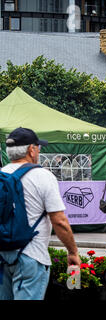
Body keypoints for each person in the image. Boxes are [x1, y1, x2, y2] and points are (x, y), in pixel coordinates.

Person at [0, 128, 81, 300]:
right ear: (31, 150)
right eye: (38, 147)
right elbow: (59, 221)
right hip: (30, 255)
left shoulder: (1, 174)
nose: (38, 151)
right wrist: (72, 251)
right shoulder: (43, 176)